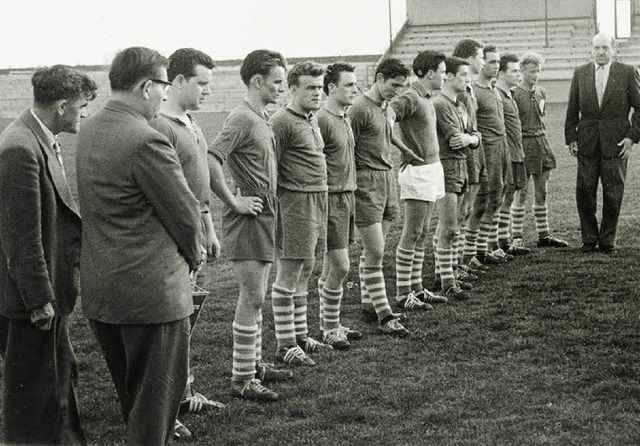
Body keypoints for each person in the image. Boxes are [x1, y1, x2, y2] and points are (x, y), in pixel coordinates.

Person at [76, 47, 202, 445]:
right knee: (153, 412)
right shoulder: (147, 140)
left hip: (104, 293)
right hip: (152, 297)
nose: (165, 96)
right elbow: (185, 217)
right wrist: (195, 258)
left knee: (133, 402)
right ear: (147, 86)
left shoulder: (89, 129)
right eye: (163, 87)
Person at [0, 65, 96, 445]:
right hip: (30, 303)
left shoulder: (37, 139)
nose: (83, 113)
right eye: (81, 106)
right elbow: (21, 239)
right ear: (61, 106)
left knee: (54, 385)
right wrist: (39, 300)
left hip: (46, 295)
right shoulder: (20, 149)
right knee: (32, 401)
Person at [209, 49, 293, 401]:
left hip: (266, 209)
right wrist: (233, 201)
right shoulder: (241, 118)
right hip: (249, 214)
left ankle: (254, 365)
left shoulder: (261, 116)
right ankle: (242, 378)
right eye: (277, 81)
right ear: (256, 81)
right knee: (253, 295)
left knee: (258, 294)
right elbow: (212, 159)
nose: (282, 87)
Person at [149, 47, 223, 440]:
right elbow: (168, 195)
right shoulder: (160, 126)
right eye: (201, 83)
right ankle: (165, 407)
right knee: (171, 327)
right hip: (173, 241)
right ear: (177, 82)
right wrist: (189, 237)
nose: (207, 90)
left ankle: (184, 392)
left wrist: (209, 229)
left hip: (193, 233)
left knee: (186, 322)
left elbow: (199, 190)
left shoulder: (190, 122)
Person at [347, 58, 418, 337]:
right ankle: (385, 314)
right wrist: (353, 184)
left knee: (376, 249)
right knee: (376, 251)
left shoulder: (386, 106)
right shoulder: (359, 109)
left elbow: (385, 136)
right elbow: (345, 150)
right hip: (366, 182)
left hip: (387, 179)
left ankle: (368, 304)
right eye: (393, 85)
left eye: (401, 87)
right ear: (378, 78)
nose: (397, 91)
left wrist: (405, 150)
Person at [270, 61, 332, 366]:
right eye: (310, 87)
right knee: (289, 272)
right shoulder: (281, 121)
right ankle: (285, 343)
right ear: (292, 89)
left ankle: (300, 334)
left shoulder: (311, 118)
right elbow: (271, 168)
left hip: (317, 200)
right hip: (294, 203)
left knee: (306, 268)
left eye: (320, 87)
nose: (317, 93)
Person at [565, 33, 640, 253]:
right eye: (597, 48)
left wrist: (631, 137)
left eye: (605, 48)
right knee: (585, 191)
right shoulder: (580, 73)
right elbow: (572, 109)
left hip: (616, 143)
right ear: (591, 49)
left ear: (613, 49)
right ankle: (589, 238)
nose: (600, 52)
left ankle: (607, 240)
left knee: (613, 192)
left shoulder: (627, 72)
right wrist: (571, 137)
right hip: (587, 142)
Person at [390, 51, 449, 306]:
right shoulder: (410, 96)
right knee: (412, 231)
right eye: (443, 72)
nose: (445, 76)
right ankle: (403, 294)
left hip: (432, 168)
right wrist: (402, 148)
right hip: (418, 171)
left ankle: (416, 288)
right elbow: (387, 116)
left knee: (423, 231)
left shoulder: (427, 97)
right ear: (430, 72)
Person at [316, 62, 363, 350]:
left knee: (332, 268)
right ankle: (330, 327)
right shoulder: (321, 119)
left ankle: (329, 324)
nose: (354, 89)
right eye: (348, 85)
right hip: (331, 199)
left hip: (348, 196)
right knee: (342, 266)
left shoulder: (344, 117)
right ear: (331, 88)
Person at [433, 56, 482, 301]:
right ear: (449, 77)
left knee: (456, 223)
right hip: (447, 167)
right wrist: (469, 138)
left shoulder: (459, 104)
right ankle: (446, 281)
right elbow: (455, 139)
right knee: (449, 227)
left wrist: (470, 139)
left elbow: (472, 135)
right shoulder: (441, 104)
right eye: (463, 75)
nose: (468, 79)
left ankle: (448, 273)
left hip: (461, 165)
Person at [512, 52, 568, 251]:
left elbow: (541, 117)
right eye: (530, 71)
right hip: (523, 143)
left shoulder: (541, 92)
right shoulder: (514, 93)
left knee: (542, 191)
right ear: (522, 71)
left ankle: (544, 235)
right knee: (521, 191)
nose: (535, 75)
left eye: (537, 71)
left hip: (541, 142)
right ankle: (516, 236)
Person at [468, 44, 513, 266]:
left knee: (499, 196)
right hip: (487, 150)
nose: (496, 66)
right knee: (483, 201)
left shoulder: (494, 89)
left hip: (502, 146)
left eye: (498, 62)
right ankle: (475, 251)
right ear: (482, 62)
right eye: (492, 62)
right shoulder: (474, 92)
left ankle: (487, 246)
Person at [452, 39, 490, 276]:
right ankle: (452, 265)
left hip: (475, 151)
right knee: (460, 211)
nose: (483, 61)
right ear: (468, 58)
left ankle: (462, 260)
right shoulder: (459, 92)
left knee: (468, 209)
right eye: (480, 56)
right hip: (465, 156)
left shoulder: (469, 89)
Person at [493, 53, 530, 255]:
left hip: (517, 153)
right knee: (500, 198)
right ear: (501, 74)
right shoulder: (497, 95)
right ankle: (495, 243)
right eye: (514, 71)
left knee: (509, 197)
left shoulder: (509, 94)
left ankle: (504, 240)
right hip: (506, 154)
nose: (519, 74)